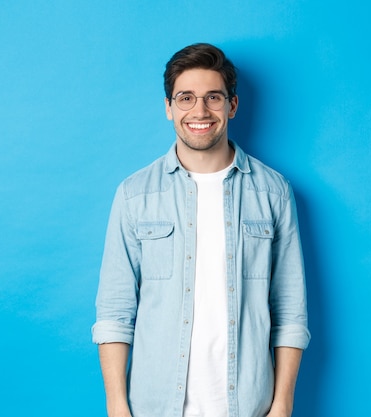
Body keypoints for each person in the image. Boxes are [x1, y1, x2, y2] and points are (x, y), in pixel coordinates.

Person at [92, 43, 310, 417]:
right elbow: (115, 311)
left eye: (213, 97)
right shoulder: (134, 195)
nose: (199, 111)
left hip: (248, 406)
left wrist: (282, 405)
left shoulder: (273, 192)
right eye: (186, 98)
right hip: (155, 407)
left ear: (232, 105)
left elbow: (290, 310)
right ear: (168, 108)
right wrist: (117, 407)